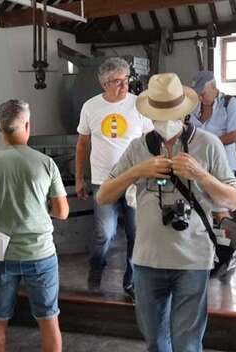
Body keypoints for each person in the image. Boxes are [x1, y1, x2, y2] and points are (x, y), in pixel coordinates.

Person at [97, 73, 236, 352]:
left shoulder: (208, 144)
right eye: (158, 114)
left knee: (187, 349)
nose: (165, 121)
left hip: (193, 261)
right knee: (154, 340)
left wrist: (200, 175)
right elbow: (104, 195)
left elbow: (232, 200)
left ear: (184, 112)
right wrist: (138, 171)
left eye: (171, 113)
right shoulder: (138, 147)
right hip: (147, 261)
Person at [0, 100, 73, 352]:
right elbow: (62, 211)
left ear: (0, 128)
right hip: (40, 254)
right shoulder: (45, 163)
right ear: (27, 126)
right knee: (49, 321)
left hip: (1, 255)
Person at [75, 57, 153, 296]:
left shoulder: (139, 105)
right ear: (104, 84)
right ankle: (97, 265)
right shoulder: (90, 107)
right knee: (104, 233)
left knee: (136, 233)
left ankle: (131, 282)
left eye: (126, 79)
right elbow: (82, 144)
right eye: (117, 81)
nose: (124, 85)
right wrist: (79, 178)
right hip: (103, 181)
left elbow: (151, 140)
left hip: (135, 181)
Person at [188, 70, 236, 177]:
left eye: (202, 94)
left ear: (213, 87)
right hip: (199, 166)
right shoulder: (194, 107)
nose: (200, 98)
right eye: (197, 95)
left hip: (224, 165)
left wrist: (206, 144)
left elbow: (233, 136)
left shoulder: (231, 104)